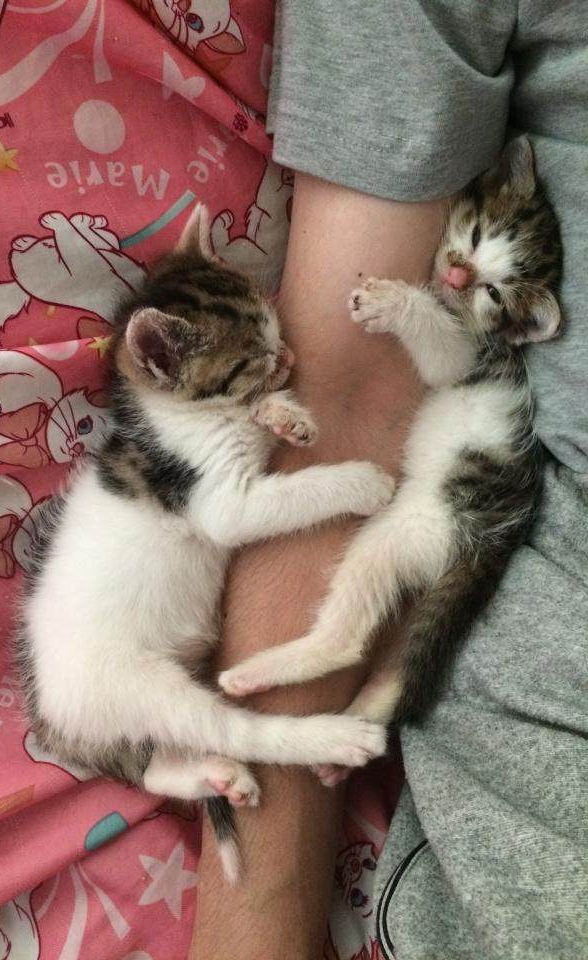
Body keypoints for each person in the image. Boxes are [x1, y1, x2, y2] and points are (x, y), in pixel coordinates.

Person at [189, 3, 588, 959]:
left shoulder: (495, 317)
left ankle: (345, 676)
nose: (458, 280)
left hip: (484, 490)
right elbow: (351, 394)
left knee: (391, 581)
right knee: (384, 575)